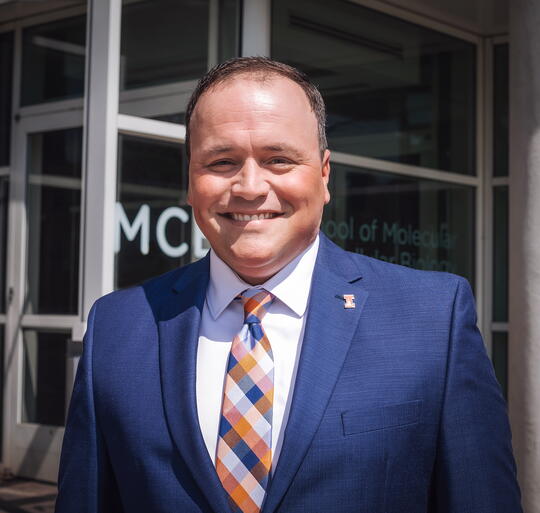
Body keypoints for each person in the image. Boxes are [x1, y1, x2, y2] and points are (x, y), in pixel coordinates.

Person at [55, 57, 522, 513]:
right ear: (190, 179)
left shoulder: (431, 319)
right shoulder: (116, 327)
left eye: (279, 159)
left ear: (323, 175)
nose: (250, 187)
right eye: (221, 161)